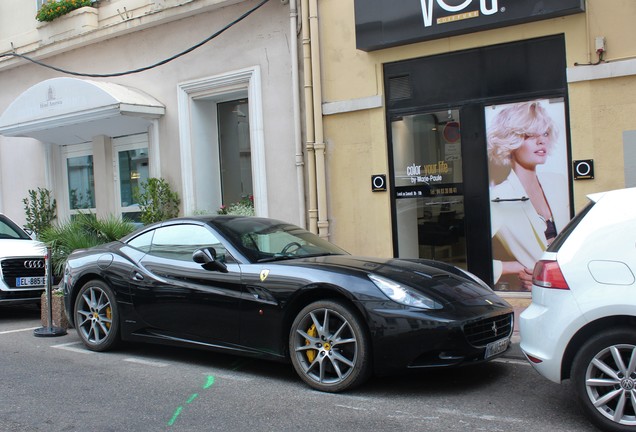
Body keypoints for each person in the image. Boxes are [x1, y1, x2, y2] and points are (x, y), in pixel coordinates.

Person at [487, 100, 569, 291]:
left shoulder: (559, 182)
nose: (542, 141)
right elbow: (471, 257)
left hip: (571, 286)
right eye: (530, 135)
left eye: (545, 133)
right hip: (536, 295)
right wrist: (513, 268)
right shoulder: (499, 197)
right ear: (511, 141)